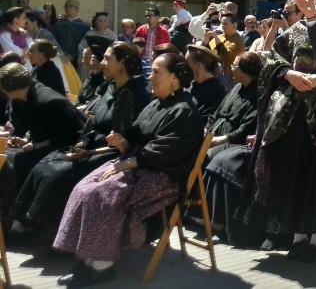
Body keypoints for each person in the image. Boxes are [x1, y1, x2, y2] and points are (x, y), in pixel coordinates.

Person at [52, 52, 204, 286]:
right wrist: (123, 142)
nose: (150, 76)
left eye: (156, 71)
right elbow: (136, 133)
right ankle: (86, 258)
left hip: (164, 175)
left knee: (103, 195)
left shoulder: (185, 109)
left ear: (174, 78)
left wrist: (127, 162)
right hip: (139, 164)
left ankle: (102, 266)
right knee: (84, 187)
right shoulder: (157, 103)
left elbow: (165, 151)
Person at [240, 0, 316, 259]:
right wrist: (288, 74)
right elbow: (271, 59)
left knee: (315, 174)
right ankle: (293, 233)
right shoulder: (296, 29)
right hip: (288, 112)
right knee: (289, 171)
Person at [12, 43, 150, 238]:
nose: (103, 63)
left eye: (108, 59)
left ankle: (56, 233)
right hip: (91, 143)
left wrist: (89, 152)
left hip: (110, 153)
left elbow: (130, 140)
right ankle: (23, 221)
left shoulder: (137, 94)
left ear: (124, 63)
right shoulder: (109, 86)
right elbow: (92, 121)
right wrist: (81, 143)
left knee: (58, 175)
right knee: (45, 164)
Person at [0, 62, 82, 220]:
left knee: (11, 164)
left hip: (63, 150)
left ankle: (16, 215)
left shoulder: (49, 101)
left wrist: (38, 144)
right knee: (4, 155)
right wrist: (27, 140)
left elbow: (72, 136)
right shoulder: (25, 98)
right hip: (46, 146)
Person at [199, 52, 259, 244]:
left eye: (235, 65)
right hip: (215, 133)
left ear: (245, 71)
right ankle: (193, 211)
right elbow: (217, 113)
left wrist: (218, 140)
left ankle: (216, 221)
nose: (231, 68)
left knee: (209, 158)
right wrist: (207, 130)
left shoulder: (257, 94)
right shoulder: (235, 88)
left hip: (233, 140)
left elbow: (246, 128)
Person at [185, 44, 227, 118]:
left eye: (186, 63)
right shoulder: (190, 86)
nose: (184, 66)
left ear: (197, 65)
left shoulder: (217, 92)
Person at [206, 12, 246, 77]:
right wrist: (206, 39)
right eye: (221, 23)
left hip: (227, 77)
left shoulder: (238, 41)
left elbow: (225, 55)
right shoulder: (220, 36)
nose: (222, 26)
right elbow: (207, 51)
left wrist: (216, 38)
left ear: (234, 25)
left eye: (225, 24)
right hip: (212, 73)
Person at [77, 12, 116, 78]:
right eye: (100, 20)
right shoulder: (89, 34)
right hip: (90, 62)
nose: (102, 23)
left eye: (105, 21)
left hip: (105, 61)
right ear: (95, 22)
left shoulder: (112, 35)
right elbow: (81, 48)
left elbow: (115, 50)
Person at [53, 0, 90, 64]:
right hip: (61, 59)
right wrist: (63, 55)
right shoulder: (59, 25)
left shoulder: (85, 26)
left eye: (70, 6)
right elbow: (55, 41)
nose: (67, 8)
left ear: (77, 9)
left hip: (79, 59)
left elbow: (84, 44)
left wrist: (73, 56)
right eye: (66, 6)